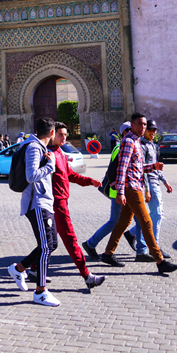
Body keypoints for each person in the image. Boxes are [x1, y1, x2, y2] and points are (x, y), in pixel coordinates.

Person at [100, 113, 177, 274]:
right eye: (140, 124)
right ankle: (159, 260)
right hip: (130, 188)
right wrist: (120, 192)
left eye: (144, 124)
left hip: (136, 186)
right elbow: (121, 168)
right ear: (133, 126)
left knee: (123, 222)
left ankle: (108, 254)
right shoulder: (129, 141)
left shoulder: (136, 141)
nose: (143, 127)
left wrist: (153, 167)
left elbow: (137, 168)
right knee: (146, 221)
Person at [7, 117, 60, 307]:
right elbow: (31, 176)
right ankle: (41, 292)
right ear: (52, 133)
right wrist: (50, 166)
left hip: (44, 202)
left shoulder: (40, 148)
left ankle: (18, 268)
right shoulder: (34, 148)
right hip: (36, 203)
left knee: (51, 244)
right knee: (46, 247)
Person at [50, 121, 107, 290]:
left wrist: (90, 181)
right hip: (55, 203)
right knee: (70, 239)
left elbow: (71, 175)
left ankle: (32, 269)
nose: (64, 137)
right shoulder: (48, 154)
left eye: (66, 134)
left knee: (48, 241)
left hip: (61, 201)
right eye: (61, 134)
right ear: (52, 133)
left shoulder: (59, 152)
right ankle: (87, 276)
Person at [82, 122, 136, 260]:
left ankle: (139, 243)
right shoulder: (120, 147)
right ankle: (91, 243)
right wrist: (119, 190)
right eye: (131, 130)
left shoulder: (127, 145)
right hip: (118, 191)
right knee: (115, 221)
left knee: (139, 219)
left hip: (125, 190)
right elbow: (113, 170)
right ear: (125, 132)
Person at [132, 120, 174, 262]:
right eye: (151, 129)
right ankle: (152, 247)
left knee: (154, 216)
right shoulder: (142, 145)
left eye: (155, 130)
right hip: (149, 184)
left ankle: (138, 239)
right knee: (156, 215)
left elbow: (156, 168)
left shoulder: (152, 145)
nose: (153, 132)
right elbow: (142, 169)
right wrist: (147, 190)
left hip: (155, 182)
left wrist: (166, 182)